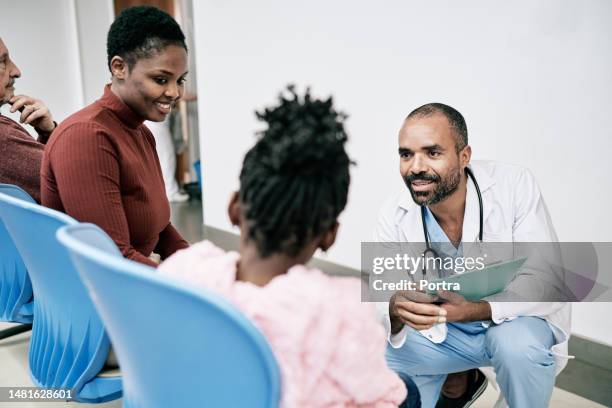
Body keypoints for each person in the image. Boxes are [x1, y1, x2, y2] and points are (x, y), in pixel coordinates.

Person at [159, 87, 418, 407]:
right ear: (329, 236)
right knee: (406, 390)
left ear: (234, 208)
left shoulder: (183, 272)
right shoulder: (342, 313)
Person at [375, 103, 570, 408]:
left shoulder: (513, 186)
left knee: (518, 348)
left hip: (513, 323)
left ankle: (462, 376)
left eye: (432, 153)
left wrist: (473, 310)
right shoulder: (394, 213)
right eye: (406, 154)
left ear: (464, 156)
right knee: (370, 355)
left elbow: (548, 280)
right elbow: (384, 290)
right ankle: (459, 379)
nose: (416, 167)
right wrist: (395, 306)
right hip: (444, 332)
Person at [41, 6, 189, 267]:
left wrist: (202, 267)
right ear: (119, 67)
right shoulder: (86, 137)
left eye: (180, 81)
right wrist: (196, 288)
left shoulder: (141, 132)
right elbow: (111, 262)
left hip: (127, 282)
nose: (174, 92)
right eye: (161, 79)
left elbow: (162, 230)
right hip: (97, 296)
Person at [0, 37, 56, 202]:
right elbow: (73, 179)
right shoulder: (3, 137)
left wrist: (47, 133)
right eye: (3, 62)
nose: (16, 71)